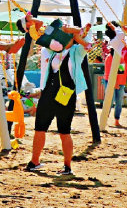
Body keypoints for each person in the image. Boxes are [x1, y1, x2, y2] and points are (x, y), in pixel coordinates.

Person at [25, 41, 87, 176]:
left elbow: (87, 45)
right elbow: (42, 39)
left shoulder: (76, 51)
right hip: (48, 93)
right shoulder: (52, 51)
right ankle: (34, 161)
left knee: (64, 131)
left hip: (66, 94)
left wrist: (76, 33)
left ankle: (67, 166)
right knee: (39, 128)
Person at [17, 13, 92, 53]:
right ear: (27, 24)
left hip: (62, 41)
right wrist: (31, 18)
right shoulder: (32, 30)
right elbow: (40, 22)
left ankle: (86, 43)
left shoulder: (33, 30)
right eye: (28, 20)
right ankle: (81, 31)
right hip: (60, 41)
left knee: (72, 33)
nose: (31, 18)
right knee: (64, 28)